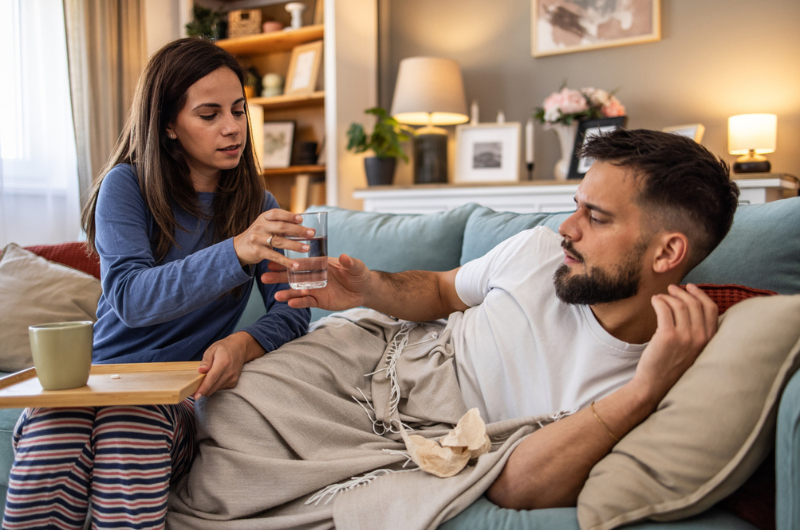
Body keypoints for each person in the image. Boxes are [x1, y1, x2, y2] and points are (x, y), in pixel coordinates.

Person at [166, 128, 741, 527]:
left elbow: (518, 488)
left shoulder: (663, 368)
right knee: (232, 400)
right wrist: (370, 288)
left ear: (668, 253)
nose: (567, 227)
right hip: (392, 353)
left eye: (596, 217)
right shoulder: (540, 250)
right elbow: (443, 290)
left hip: (443, 428)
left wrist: (643, 391)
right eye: (576, 205)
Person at [2, 37, 312, 530]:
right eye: (209, 115)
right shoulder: (126, 187)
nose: (232, 128)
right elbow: (129, 298)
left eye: (238, 110)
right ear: (168, 124)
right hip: (93, 386)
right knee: (52, 433)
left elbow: (294, 308)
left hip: (169, 401)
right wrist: (235, 250)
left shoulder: (255, 203)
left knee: (130, 425)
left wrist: (243, 342)